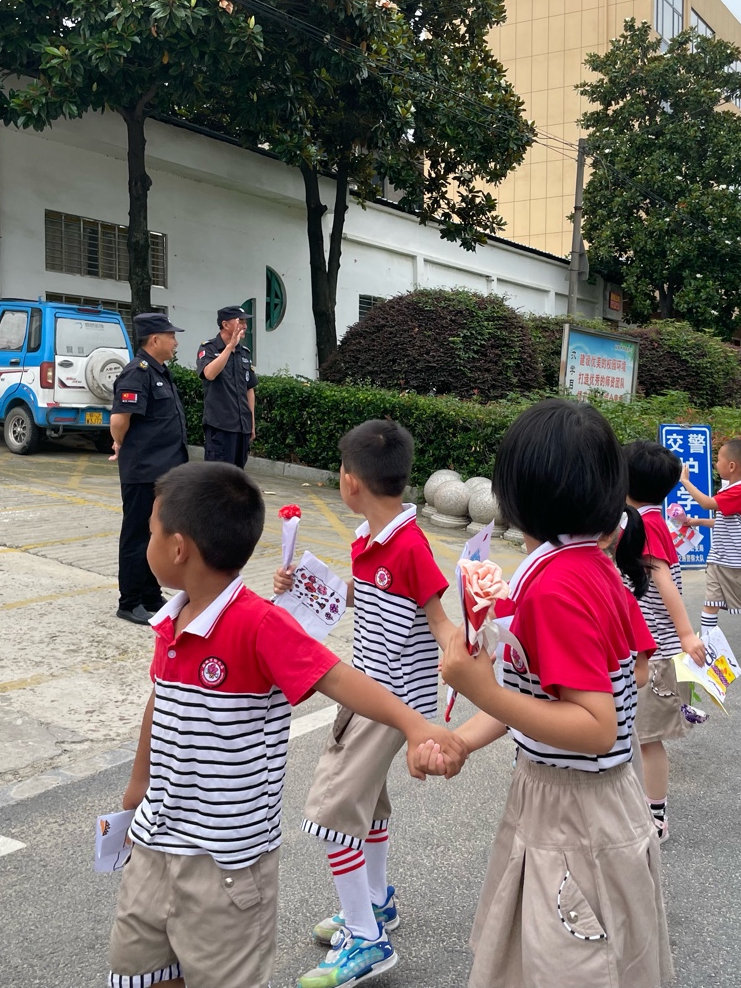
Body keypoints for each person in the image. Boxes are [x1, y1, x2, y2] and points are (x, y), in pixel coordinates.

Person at [107, 462, 463, 988]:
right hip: (154, 843)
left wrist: (415, 725)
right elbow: (158, 703)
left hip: (226, 864)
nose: (146, 542)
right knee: (145, 973)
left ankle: (366, 928)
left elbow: (336, 676)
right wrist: (138, 784)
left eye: (151, 531)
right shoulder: (172, 619)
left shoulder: (259, 624)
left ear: (178, 548)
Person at [412, 398, 672, 988]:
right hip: (582, 799)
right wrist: (463, 740)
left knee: (567, 966)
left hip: (575, 810)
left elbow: (594, 726)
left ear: (515, 492)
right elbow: (560, 693)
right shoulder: (590, 565)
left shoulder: (556, 587)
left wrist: (483, 692)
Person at [272, 420, 454, 987]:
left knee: (332, 814)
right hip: (374, 691)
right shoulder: (371, 540)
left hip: (385, 700)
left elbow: (439, 619)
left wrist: (463, 656)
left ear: (350, 480)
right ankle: (375, 902)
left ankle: (365, 937)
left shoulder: (409, 545)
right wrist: (307, 584)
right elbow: (368, 592)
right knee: (368, 806)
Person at [622, 441, 708, 843]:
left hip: (656, 652)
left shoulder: (646, 523)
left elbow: (661, 577)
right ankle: (638, 806)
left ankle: (656, 817)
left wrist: (687, 634)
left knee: (647, 740)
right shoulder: (644, 518)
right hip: (647, 647)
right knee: (636, 736)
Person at [110, 312, 191, 624]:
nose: (176, 342)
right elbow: (119, 420)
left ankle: (150, 594)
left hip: (164, 470)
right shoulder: (137, 372)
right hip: (144, 469)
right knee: (137, 536)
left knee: (157, 533)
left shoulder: (159, 371)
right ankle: (129, 601)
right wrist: (121, 444)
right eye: (171, 336)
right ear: (155, 339)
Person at [677, 441, 741, 659]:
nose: (716, 463)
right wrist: (698, 521)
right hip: (718, 559)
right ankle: (707, 649)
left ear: (731, 466)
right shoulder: (730, 490)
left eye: (719, 459)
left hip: (737, 562)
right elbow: (724, 522)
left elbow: (706, 503)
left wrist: (685, 482)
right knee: (710, 604)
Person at [196, 305, 259, 467]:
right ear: (225, 324)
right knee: (218, 476)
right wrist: (229, 347)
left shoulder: (244, 352)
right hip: (220, 427)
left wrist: (251, 422)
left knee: (237, 476)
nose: (245, 326)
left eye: (245, 322)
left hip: (242, 427)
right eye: (240, 321)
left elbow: (249, 388)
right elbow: (209, 374)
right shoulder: (208, 348)